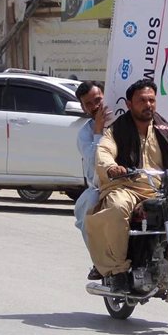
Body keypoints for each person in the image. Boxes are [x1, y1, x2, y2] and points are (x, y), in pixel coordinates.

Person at [85, 79, 168, 293]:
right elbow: (104, 150)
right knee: (117, 208)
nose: (148, 105)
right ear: (129, 104)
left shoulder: (164, 129)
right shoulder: (117, 130)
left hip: (158, 189)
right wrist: (111, 167)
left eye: (151, 100)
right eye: (142, 101)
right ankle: (117, 271)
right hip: (125, 186)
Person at [73, 81, 110, 280]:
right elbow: (96, 162)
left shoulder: (125, 119)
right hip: (102, 187)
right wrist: (98, 130)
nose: (95, 106)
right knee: (84, 209)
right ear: (83, 108)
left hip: (139, 183)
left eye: (98, 100)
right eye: (89, 104)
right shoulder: (85, 134)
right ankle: (100, 261)